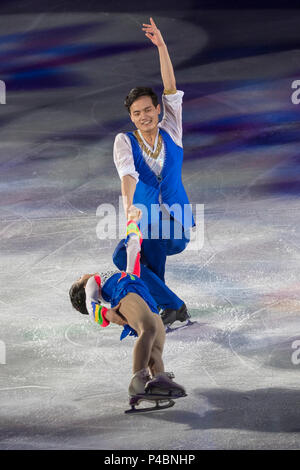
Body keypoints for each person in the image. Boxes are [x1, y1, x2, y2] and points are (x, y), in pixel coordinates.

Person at [113, 18, 195, 327]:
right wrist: (128, 208)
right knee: (124, 256)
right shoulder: (124, 141)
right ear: (131, 118)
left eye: (149, 109)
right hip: (146, 222)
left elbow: (170, 87)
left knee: (152, 242)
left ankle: (164, 308)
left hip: (177, 222)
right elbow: (128, 175)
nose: (144, 116)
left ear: (157, 109)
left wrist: (162, 47)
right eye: (137, 113)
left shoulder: (171, 128)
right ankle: (170, 307)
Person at [69, 213, 186, 404]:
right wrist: (106, 313)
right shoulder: (93, 282)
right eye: (77, 279)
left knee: (156, 338)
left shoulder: (124, 274)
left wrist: (133, 222)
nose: (81, 275)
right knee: (148, 328)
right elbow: (92, 307)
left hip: (142, 295)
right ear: (81, 287)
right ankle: (137, 383)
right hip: (126, 293)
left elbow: (133, 247)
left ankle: (159, 378)